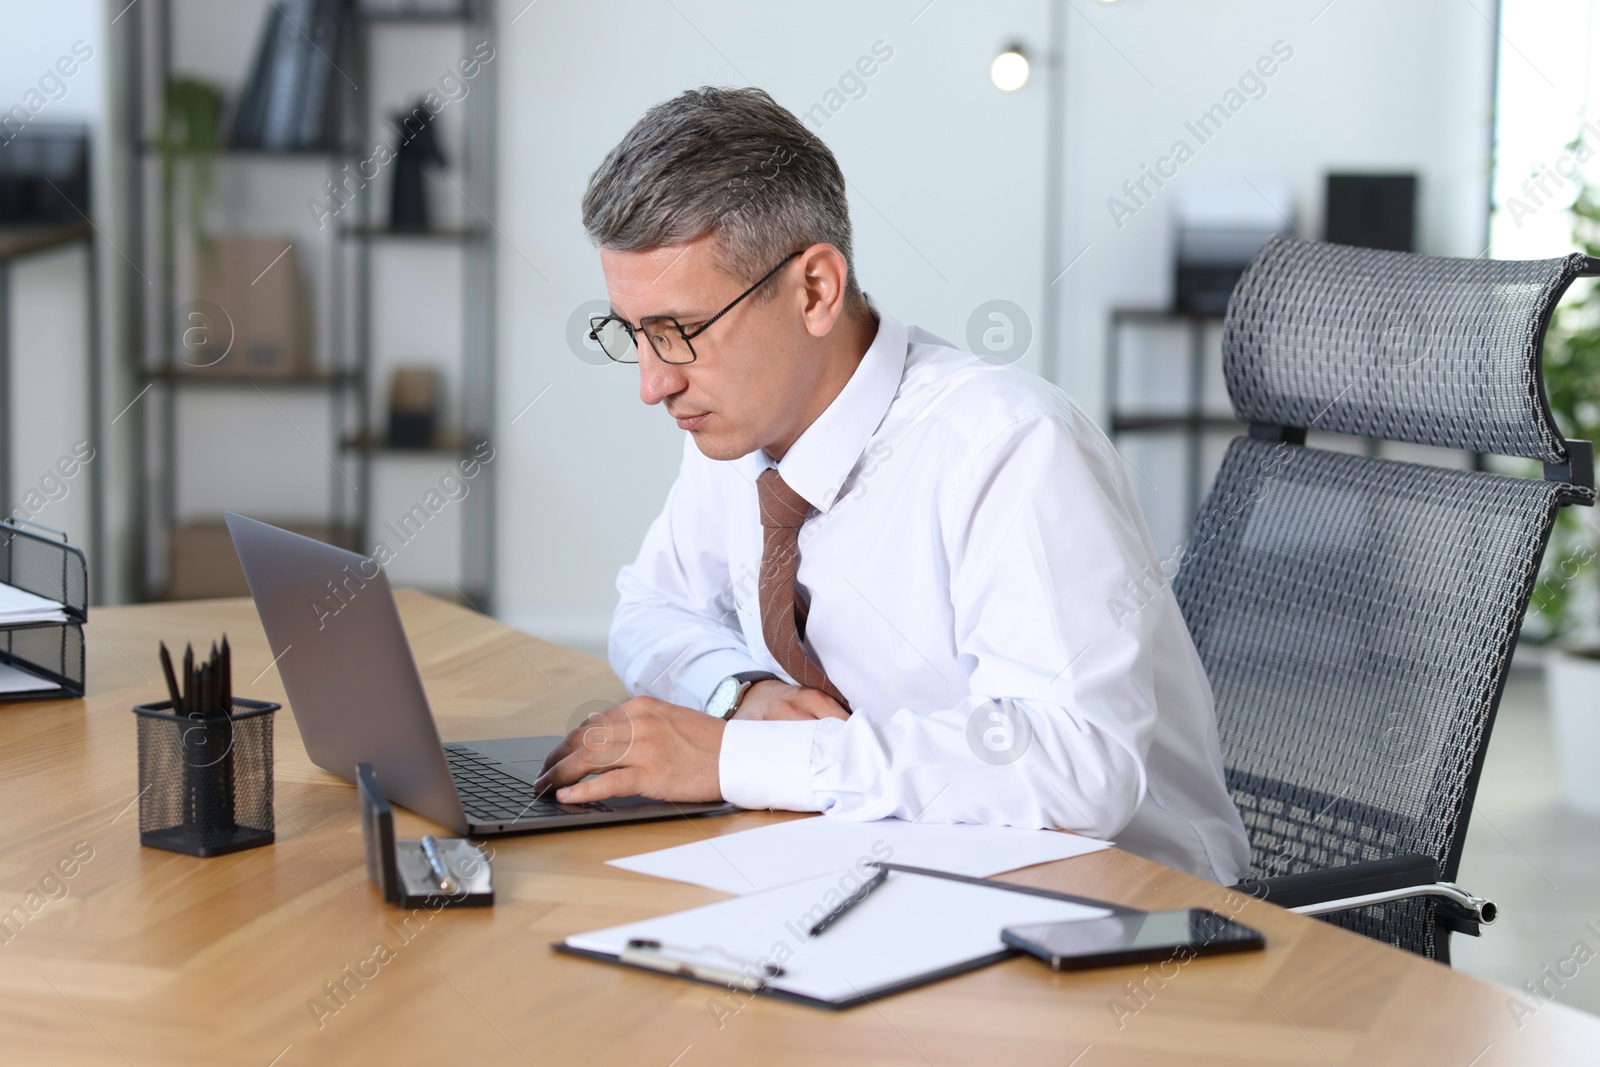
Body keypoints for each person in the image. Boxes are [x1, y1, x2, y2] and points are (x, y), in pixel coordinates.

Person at [534, 86, 1250, 884]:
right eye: (632, 334)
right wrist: (740, 695)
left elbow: (1077, 763)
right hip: (902, 866)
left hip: (1115, 913)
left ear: (814, 289)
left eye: (679, 333)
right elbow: (649, 609)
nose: (652, 383)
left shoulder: (1007, 446)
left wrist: (748, 758)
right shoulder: (735, 431)